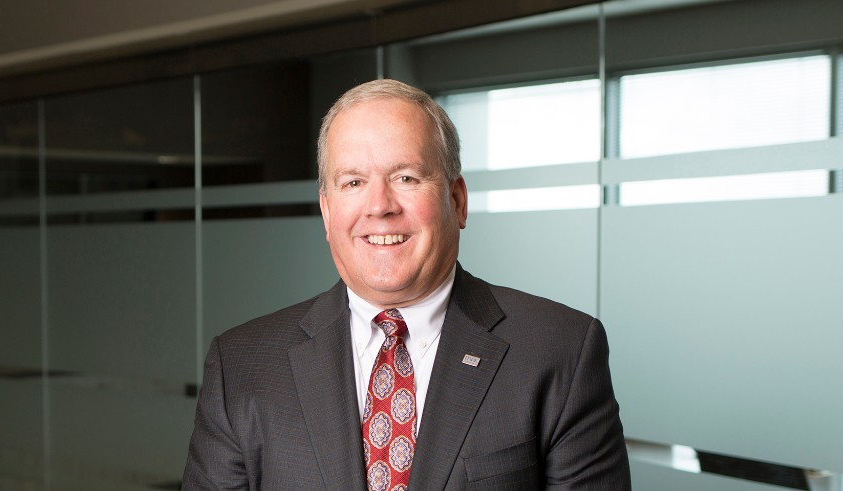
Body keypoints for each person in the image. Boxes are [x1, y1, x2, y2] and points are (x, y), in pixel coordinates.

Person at [182, 79, 630, 490]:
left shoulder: (560, 350)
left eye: (406, 178)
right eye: (353, 181)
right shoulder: (241, 365)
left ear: (456, 201)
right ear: (326, 210)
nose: (379, 206)